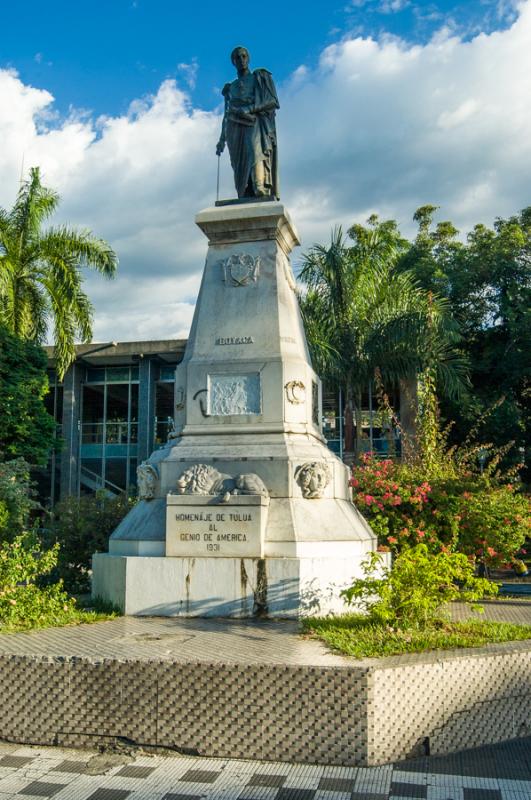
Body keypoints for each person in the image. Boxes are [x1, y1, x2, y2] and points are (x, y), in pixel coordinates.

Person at [216, 46, 279, 199]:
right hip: (234, 128)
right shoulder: (231, 87)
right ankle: (245, 193)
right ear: (233, 62)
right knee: (240, 173)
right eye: (237, 57)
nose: (241, 60)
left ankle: (260, 186)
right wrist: (221, 139)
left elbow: (272, 101)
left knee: (255, 151)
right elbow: (226, 114)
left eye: (244, 56)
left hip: (254, 122)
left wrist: (250, 109)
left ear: (248, 58)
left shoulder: (260, 77)